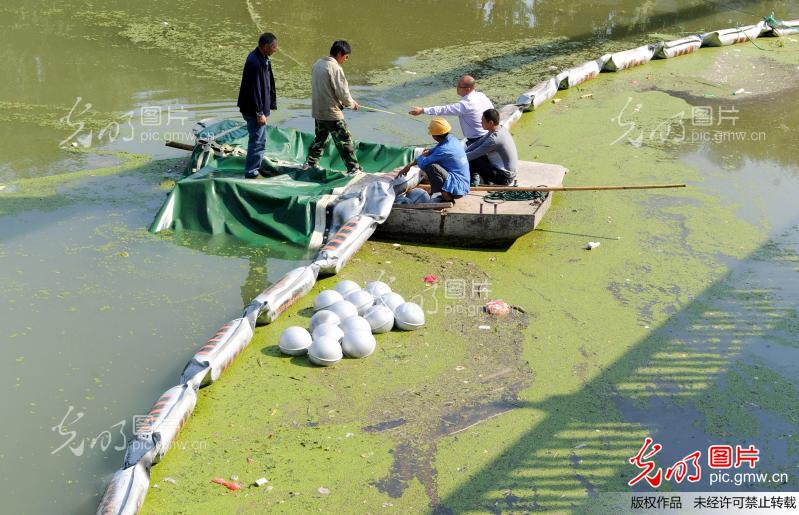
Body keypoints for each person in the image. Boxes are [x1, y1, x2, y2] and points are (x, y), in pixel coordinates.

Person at [304, 40, 362, 174]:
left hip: (318, 110)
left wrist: (341, 102)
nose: (346, 59)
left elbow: (326, 89)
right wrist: (351, 103)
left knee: (320, 138)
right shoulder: (335, 68)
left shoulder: (318, 64)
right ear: (340, 53)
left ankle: (310, 163)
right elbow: (342, 92)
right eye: (346, 56)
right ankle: (353, 168)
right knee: (344, 140)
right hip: (331, 113)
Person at [397, 118, 470, 203]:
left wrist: (413, 163)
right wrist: (410, 165)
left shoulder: (443, 149)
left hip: (458, 188)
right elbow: (431, 151)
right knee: (433, 163)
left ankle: (446, 197)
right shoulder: (451, 139)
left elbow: (424, 163)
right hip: (463, 184)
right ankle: (445, 193)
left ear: (435, 136)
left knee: (432, 167)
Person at [408, 75, 493, 146]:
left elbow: (444, 110)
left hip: (476, 140)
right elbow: (492, 111)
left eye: (459, 86)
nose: (456, 88)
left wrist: (422, 110)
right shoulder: (481, 95)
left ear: (468, 89)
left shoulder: (466, 104)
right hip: (488, 134)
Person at [237, 33, 278, 179]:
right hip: (254, 110)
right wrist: (259, 113)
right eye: (274, 47)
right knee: (257, 141)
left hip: (257, 108)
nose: (276, 49)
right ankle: (251, 172)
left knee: (259, 139)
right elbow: (254, 90)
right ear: (265, 46)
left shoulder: (263, 58)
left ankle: (256, 167)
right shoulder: (255, 62)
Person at [466, 108, 518, 186]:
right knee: (475, 156)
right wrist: (463, 152)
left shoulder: (494, 139)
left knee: (474, 160)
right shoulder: (500, 129)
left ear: (490, 123)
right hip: (507, 173)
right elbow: (478, 143)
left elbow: (473, 155)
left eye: (482, 121)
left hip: (505, 178)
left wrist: (455, 158)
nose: (481, 123)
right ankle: (484, 179)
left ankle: (472, 182)